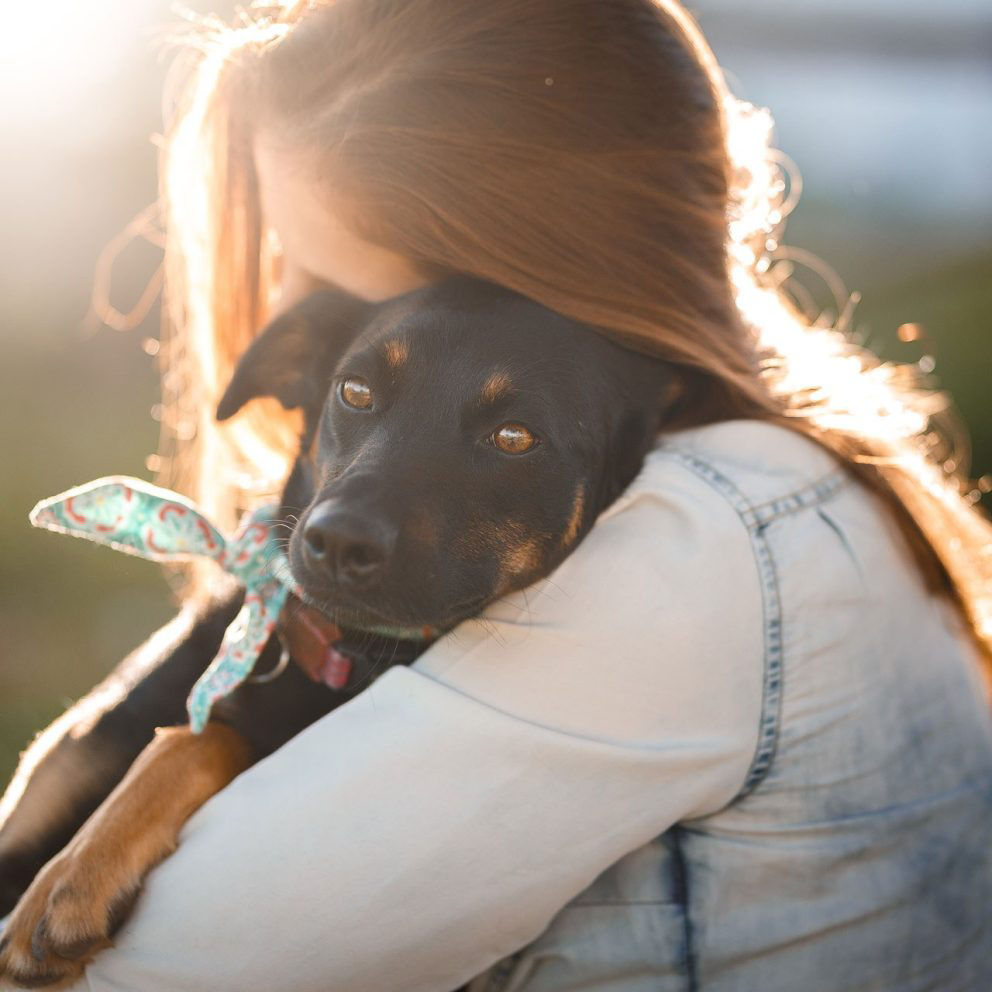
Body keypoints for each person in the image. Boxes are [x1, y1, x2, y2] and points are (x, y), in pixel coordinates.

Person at [25, 0, 992, 988]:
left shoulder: (677, 556)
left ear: (512, 260)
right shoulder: (778, 475)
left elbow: (146, 974)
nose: (282, 312)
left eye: (316, 267)